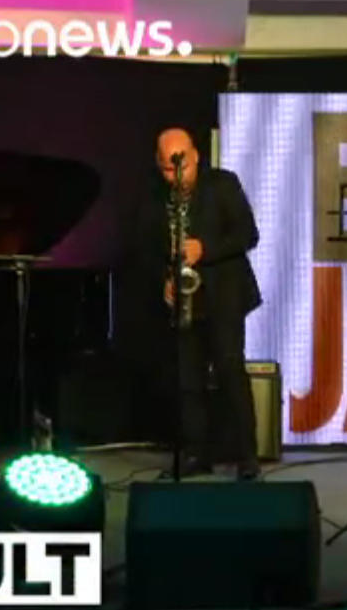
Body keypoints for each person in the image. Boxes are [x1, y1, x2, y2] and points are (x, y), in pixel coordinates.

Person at [135, 127, 262, 480]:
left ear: (195, 156)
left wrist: (204, 248)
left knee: (230, 374)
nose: (177, 176)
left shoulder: (223, 184)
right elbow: (144, 248)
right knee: (187, 381)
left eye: (183, 167)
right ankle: (195, 454)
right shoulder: (154, 197)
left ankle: (247, 457)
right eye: (168, 169)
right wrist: (165, 277)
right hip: (185, 299)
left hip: (224, 295)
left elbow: (247, 234)